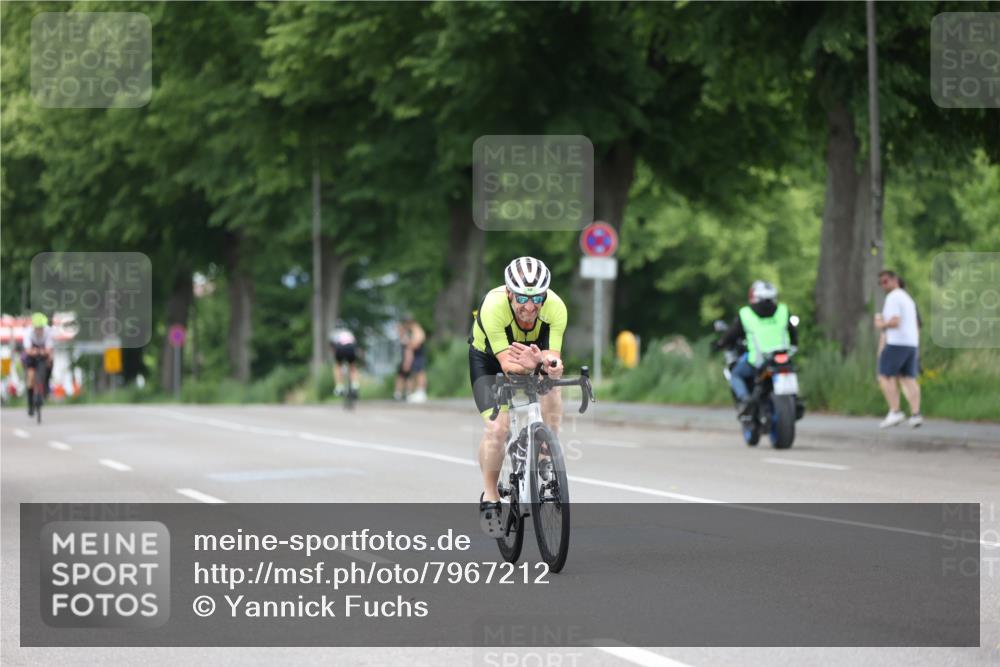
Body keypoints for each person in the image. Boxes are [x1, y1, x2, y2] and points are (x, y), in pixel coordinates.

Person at [469, 256, 566, 536]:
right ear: (509, 293)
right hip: (490, 361)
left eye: (537, 298)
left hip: (534, 354)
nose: (530, 306)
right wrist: (535, 364)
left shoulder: (556, 307)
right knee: (498, 430)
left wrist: (551, 367)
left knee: (551, 386)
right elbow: (508, 365)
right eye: (522, 297)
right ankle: (490, 497)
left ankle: (547, 452)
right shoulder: (493, 306)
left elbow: (553, 360)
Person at [713, 281, 798, 418]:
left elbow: (731, 334)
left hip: (758, 360)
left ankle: (745, 400)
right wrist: (794, 346)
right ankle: (795, 399)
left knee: (736, 374)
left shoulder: (746, 313)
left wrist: (719, 344)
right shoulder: (783, 310)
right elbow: (793, 332)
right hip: (783, 356)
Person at [874, 270, 922, 428]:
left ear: (895, 280)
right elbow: (916, 324)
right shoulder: (908, 298)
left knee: (884, 376)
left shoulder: (893, 297)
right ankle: (916, 414)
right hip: (911, 343)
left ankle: (895, 411)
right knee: (908, 378)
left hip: (897, 342)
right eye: (881, 283)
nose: (883, 285)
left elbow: (895, 322)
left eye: (885, 281)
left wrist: (880, 323)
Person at [23, 312, 55, 416]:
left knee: (50, 362)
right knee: (30, 377)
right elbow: (28, 350)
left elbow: (49, 349)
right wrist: (37, 351)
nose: (39, 330)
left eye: (41, 328)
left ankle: (46, 385)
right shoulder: (28, 332)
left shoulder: (48, 331)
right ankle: (30, 404)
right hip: (32, 356)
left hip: (43, 354)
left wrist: (44, 353)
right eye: (37, 328)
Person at [394, 314, 427, 403]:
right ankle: (417, 391)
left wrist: (408, 344)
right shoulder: (411, 331)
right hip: (415, 355)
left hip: (418, 355)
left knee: (420, 372)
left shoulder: (417, 330)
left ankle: (421, 391)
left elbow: (416, 343)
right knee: (415, 373)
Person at [328, 321, 359, 397]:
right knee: (352, 367)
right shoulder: (349, 333)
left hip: (340, 348)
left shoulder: (334, 333)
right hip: (350, 347)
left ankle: (339, 387)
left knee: (337, 366)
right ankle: (355, 386)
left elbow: (332, 347)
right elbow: (355, 343)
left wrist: (335, 356)